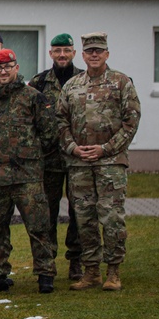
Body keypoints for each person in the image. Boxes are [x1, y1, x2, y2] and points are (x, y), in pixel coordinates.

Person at [58, 32, 141, 292]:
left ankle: (113, 271)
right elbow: (60, 121)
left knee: (111, 217)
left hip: (111, 163)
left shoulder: (121, 82)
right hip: (80, 164)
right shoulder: (71, 85)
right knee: (84, 218)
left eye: (99, 51)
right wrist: (73, 148)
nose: (94, 55)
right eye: (89, 51)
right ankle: (91, 271)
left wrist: (105, 149)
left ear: (107, 54)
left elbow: (132, 121)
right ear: (82, 55)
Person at [0, 48, 59, 294]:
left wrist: (29, 155)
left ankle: (45, 274)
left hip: (27, 177)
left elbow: (49, 134)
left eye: (7, 67)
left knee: (39, 227)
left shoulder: (34, 97)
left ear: (16, 68)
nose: (2, 71)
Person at [29, 33, 84, 280]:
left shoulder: (85, 80)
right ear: (50, 53)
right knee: (47, 213)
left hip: (78, 159)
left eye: (67, 50)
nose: (62, 55)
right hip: (48, 160)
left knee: (79, 212)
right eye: (57, 50)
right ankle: (47, 263)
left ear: (74, 52)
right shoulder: (39, 83)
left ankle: (76, 261)